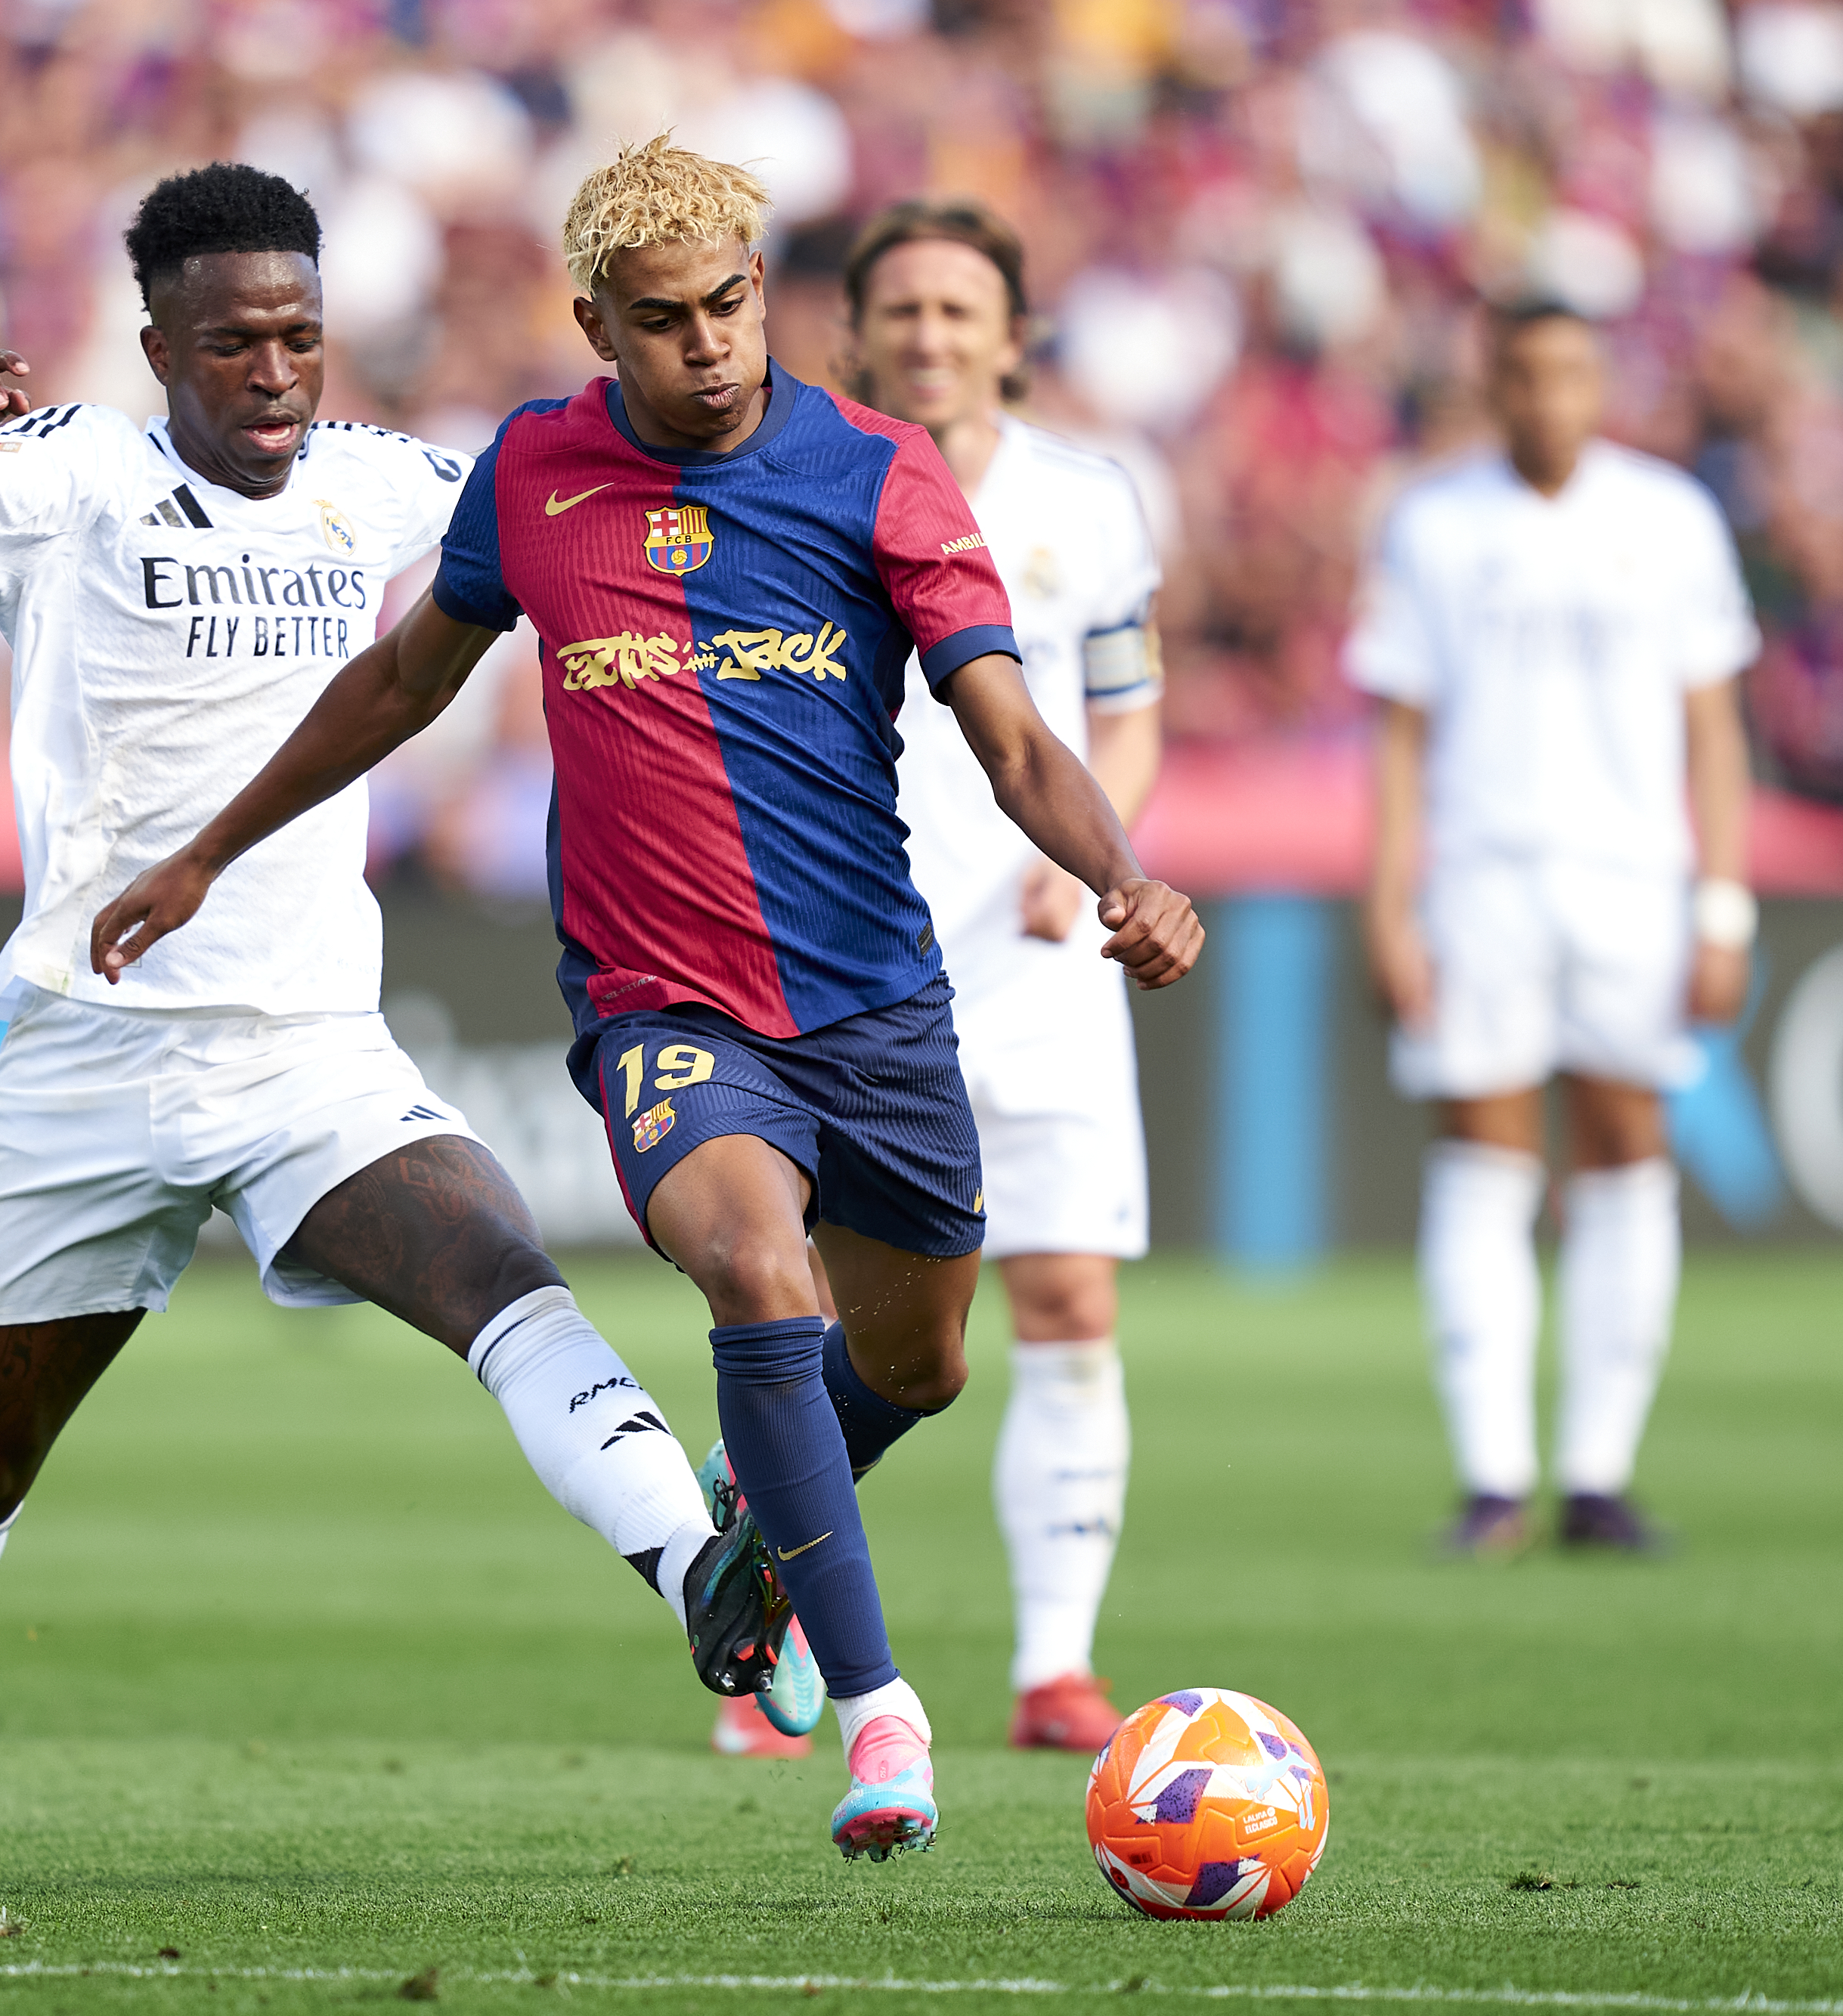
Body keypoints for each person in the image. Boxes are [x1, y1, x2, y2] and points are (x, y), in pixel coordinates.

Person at [90, 137, 1206, 1862]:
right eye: (663, 319)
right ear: (594, 321)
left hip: (874, 1006)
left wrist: (1120, 866)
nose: (706, 346)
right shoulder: (533, 474)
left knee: (912, 1364)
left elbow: (1007, 731)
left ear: (764, 294)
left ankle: (753, 1514)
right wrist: (208, 849)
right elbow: (399, 680)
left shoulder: (880, 475)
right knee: (759, 1274)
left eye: (731, 306)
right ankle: (878, 1718)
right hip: (661, 1002)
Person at [0, 162, 806, 1872]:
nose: (275, 372)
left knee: (502, 1274)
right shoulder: (69, 473)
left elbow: (549, 520)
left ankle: (691, 1558)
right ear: (158, 346)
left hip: (306, 1053)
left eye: (298, 337)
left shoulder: (379, 485)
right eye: (232, 345)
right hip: (90, 1051)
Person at [755, 197, 1160, 1760]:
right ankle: (772, 1614)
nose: (928, 335)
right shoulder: (793, 486)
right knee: (809, 1319)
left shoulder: (1089, 501)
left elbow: (1123, 706)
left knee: (1062, 1295)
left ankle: (1055, 1664)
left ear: (1013, 335)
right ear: (850, 336)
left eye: (957, 310)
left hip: (1037, 952)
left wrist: (1097, 856)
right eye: (900, 311)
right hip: (839, 962)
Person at [1346, 299, 1758, 1558]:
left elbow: (1715, 729)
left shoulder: (1671, 518)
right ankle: (1493, 1474)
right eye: (1526, 374)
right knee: (1486, 1147)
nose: (1550, 396)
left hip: (1636, 877)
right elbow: (1401, 736)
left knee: (1629, 1142)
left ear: (1602, 382)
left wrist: (1724, 901)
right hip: (1484, 875)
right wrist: (1390, 900)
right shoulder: (1433, 521)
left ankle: (1596, 1471)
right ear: (1494, 384)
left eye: (1573, 371)